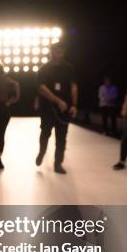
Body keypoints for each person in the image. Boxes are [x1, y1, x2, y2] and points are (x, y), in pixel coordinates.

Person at [35, 42, 78, 174]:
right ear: (50, 51)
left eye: (60, 50)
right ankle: (42, 152)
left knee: (62, 137)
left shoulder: (69, 68)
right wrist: (57, 100)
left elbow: (73, 86)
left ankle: (58, 163)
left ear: (63, 52)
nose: (57, 53)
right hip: (48, 108)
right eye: (54, 50)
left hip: (64, 109)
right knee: (45, 133)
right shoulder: (43, 69)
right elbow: (42, 88)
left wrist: (75, 105)